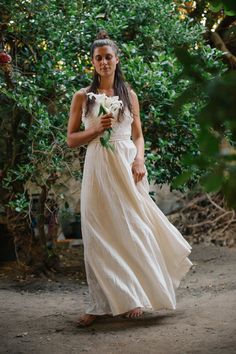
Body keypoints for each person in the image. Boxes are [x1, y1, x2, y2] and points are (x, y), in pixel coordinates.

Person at [67, 30, 193, 327]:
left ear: (117, 59)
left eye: (108, 57)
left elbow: (138, 136)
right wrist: (96, 129)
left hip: (126, 165)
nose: (104, 62)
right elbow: (72, 139)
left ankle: (133, 296)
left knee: (132, 228)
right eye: (98, 58)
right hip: (98, 166)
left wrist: (140, 159)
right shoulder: (82, 97)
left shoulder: (129, 95)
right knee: (98, 234)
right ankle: (100, 304)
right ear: (93, 63)